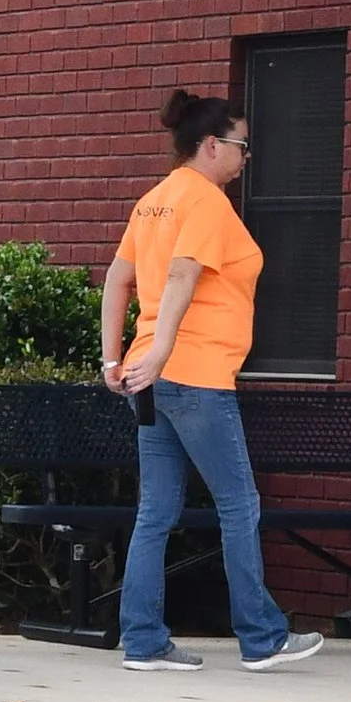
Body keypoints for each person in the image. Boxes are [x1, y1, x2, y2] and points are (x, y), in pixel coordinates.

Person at [100, 90, 323, 672]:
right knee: (239, 504)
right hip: (195, 376)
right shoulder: (205, 201)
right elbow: (181, 273)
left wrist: (113, 360)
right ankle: (262, 638)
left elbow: (116, 281)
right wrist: (168, 350)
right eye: (242, 146)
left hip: (147, 377)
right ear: (211, 146)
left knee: (156, 510)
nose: (247, 157)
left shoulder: (153, 201)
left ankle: (144, 642)